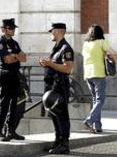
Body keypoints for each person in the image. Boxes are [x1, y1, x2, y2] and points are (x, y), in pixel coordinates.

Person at [39, 23, 73, 154]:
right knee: (54, 115)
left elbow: (67, 68)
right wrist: (46, 64)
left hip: (60, 87)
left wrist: (50, 63)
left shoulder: (66, 48)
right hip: (52, 86)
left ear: (58, 31)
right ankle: (58, 141)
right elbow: (55, 66)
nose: (51, 34)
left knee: (62, 116)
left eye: (52, 31)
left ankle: (64, 144)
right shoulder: (57, 48)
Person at [0, 18, 26, 141]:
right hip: (5, 76)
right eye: (11, 28)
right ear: (3, 29)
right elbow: (7, 60)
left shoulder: (14, 43)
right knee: (4, 104)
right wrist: (16, 56)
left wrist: (14, 56)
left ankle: (11, 131)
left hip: (15, 75)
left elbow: (24, 58)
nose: (13, 30)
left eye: (13, 28)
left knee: (14, 105)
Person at [82, 24, 117, 133]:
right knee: (100, 100)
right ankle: (90, 119)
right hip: (98, 73)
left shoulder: (86, 44)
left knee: (95, 99)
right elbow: (114, 54)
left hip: (88, 75)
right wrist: (114, 59)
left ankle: (97, 126)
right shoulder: (102, 42)